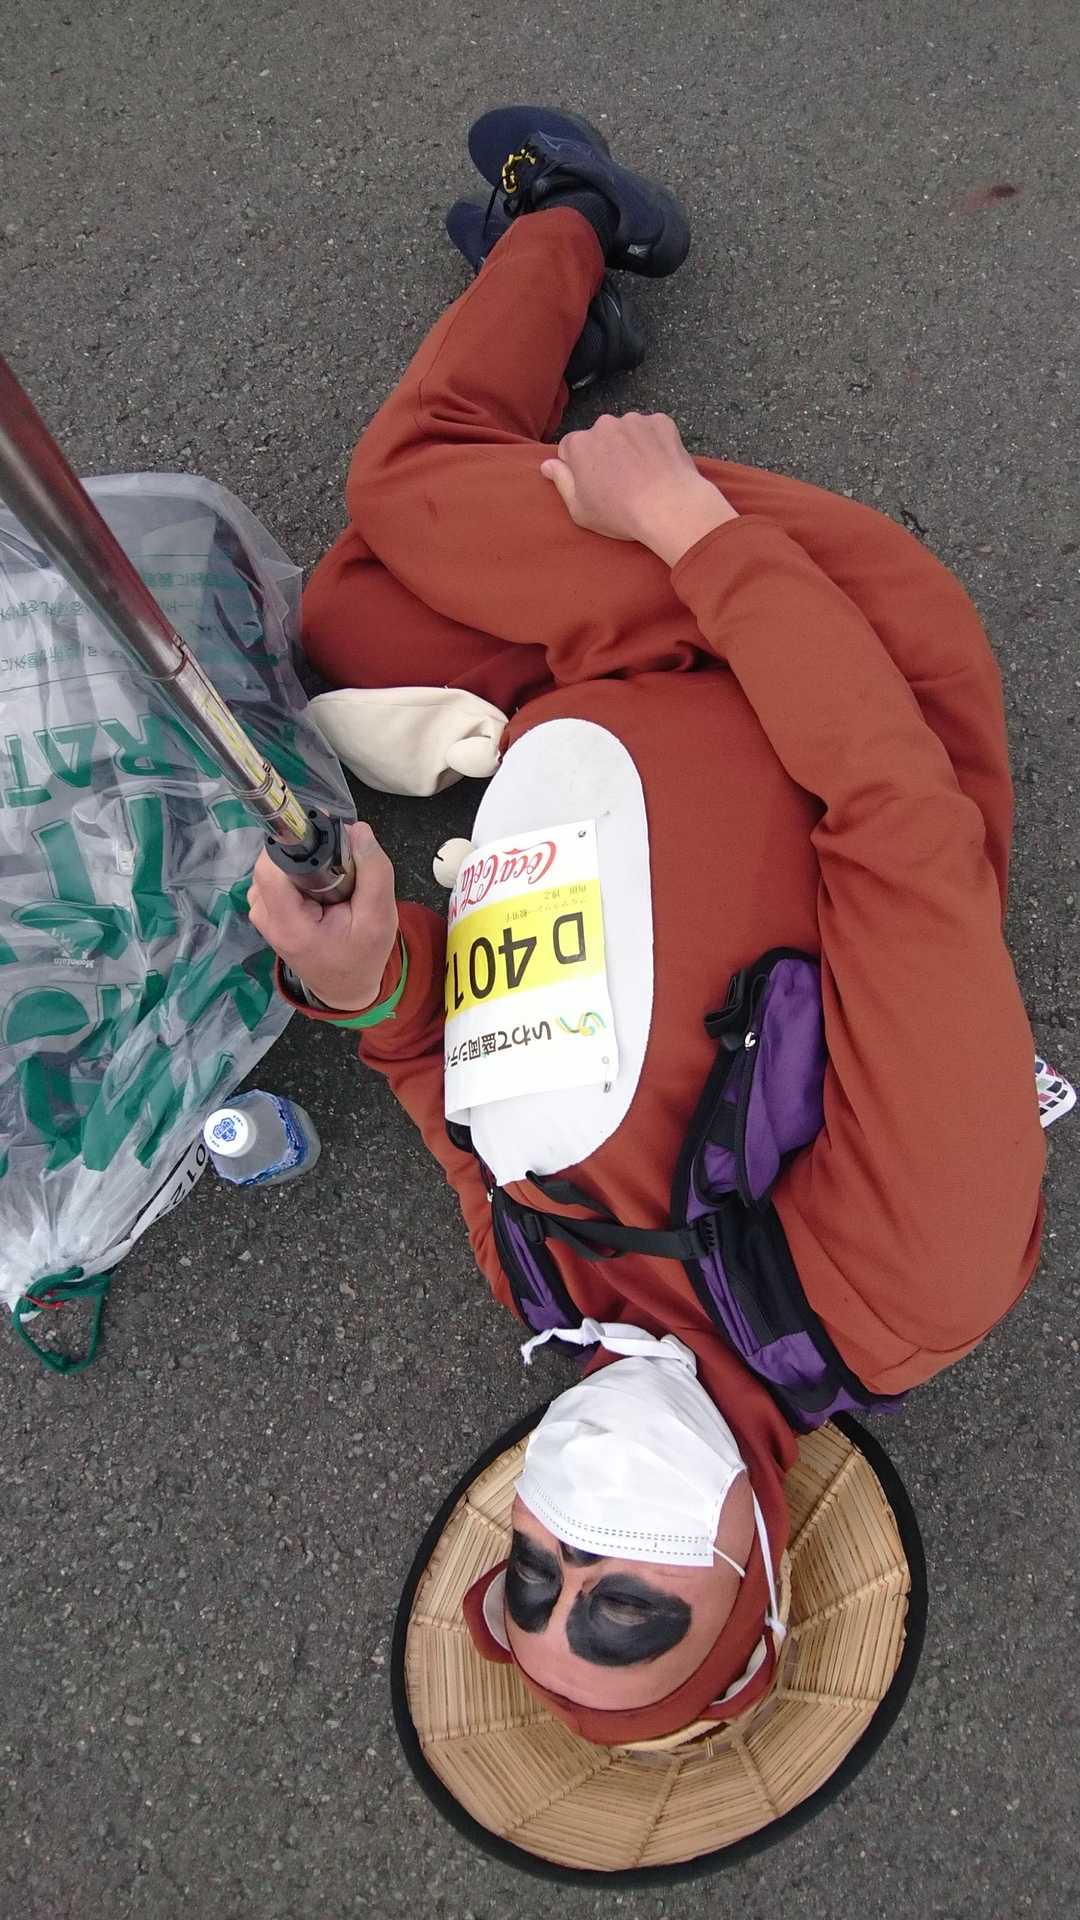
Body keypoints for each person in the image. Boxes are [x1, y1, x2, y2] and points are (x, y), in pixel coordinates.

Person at [247, 107, 1048, 1745]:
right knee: (404, 481)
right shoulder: (909, 1284)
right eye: (627, 1608)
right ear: (760, 1571)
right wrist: (686, 527)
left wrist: (356, 978)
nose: (576, 1550)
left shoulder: (549, 1283)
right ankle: (575, 212)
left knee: (346, 615)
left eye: (536, 1583)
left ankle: (566, 365)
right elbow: (902, 827)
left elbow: (436, 1069)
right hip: (800, 648)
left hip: (593, 689)